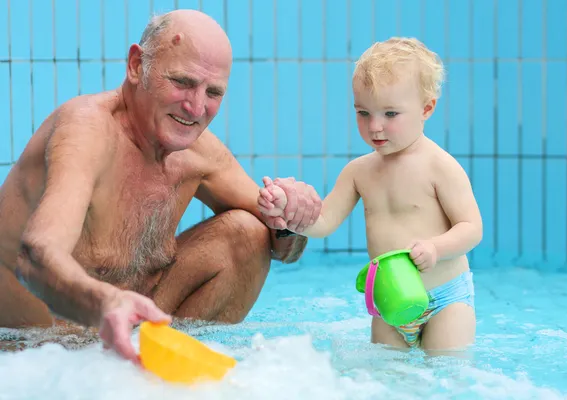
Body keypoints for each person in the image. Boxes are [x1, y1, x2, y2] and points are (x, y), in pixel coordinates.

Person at [0, 9, 321, 363]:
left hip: (118, 341)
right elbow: (34, 256)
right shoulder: (88, 132)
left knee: (248, 232)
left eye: (213, 92)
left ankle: (171, 370)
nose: (195, 107)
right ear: (137, 65)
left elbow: (283, 250)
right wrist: (106, 303)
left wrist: (292, 219)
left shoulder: (200, 153)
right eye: (182, 82)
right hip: (29, 356)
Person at [258, 37, 483, 352]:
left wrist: (436, 247)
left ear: (426, 108)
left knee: (446, 370)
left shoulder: (440, 166)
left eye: (390, 114)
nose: (374, 126)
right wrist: (291, 214)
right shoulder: (359, 171)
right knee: (387, 378)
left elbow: (472, 228)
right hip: (390, 301)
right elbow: (324, 221)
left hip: (445, 299)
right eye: (363, 113)